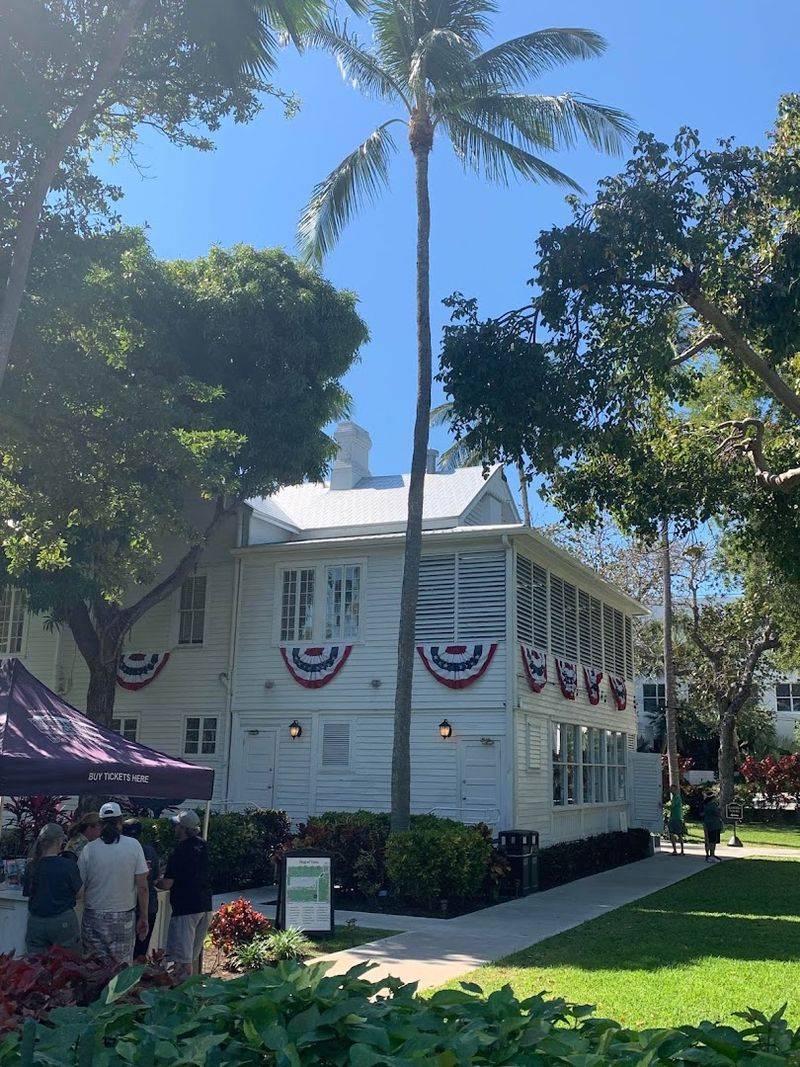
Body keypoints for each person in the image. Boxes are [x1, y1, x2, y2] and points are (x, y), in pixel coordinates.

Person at [78, 802, 149, 964]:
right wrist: (143, 916)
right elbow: (142, 887)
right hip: (123, 917)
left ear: (101, 824)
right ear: (120, 822)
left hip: (93, 916)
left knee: (93, 967)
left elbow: (80, 886)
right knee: (120, 970)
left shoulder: (89, 849)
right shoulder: (133, 846)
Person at [157, 810, 212, 978]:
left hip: (185, 909)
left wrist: (154, 881)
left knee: (182, 961)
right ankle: (191, 989)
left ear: (183, 828)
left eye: (177, 826)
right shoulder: (203, 846)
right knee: (191, 956)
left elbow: (167, 884)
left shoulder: (179, 851)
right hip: (205, 906)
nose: (175, 829)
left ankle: (183, 994)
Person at [22, 823, 82, 955]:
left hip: (36, 922)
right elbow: (79, 893)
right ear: (59, 840)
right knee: (66, 964)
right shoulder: (68, 865)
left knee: (36, 966)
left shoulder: (31, 866)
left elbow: (28, 893)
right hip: (62, 921)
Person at [122, 818, 160, 958]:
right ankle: (137, 979)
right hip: (148, 906)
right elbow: (155, 878)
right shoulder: (149, 851)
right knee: (140, 951)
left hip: (126, 906)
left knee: (121, 953)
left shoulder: (121, 851)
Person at [701, 792, 725, 862]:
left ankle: (708, 855)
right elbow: (717, 813)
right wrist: (719, 809)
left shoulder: (705, 805)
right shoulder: (713, 805)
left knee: (707, 840)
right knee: (713, 841)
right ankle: (712, 855)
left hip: (707, 823)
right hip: (714, 825)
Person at [666, 788, 686, 856]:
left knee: (679, 834)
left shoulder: (677, 797)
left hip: (677, 818)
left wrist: (663, 806)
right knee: (671, 834)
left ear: (676, 790)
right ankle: (674, 850)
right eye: (670, 789)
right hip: (672, 818)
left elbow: (672, 806)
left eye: (672, 789)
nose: (671, 790)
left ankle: (682, 851)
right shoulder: (674, 797)